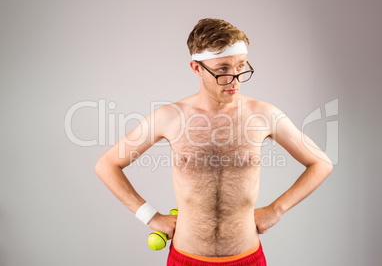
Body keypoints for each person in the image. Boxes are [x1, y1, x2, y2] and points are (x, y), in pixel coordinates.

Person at [95, 18, 333, 266]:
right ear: (196, 68)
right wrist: (150, 216)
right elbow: (107, 164)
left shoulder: (264, 115)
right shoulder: (170, 117)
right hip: (186, 257)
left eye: (241, 66)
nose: (235, 78)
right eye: (222, 69)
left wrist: (277, 209)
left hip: (247, 257)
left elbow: (321, 163)